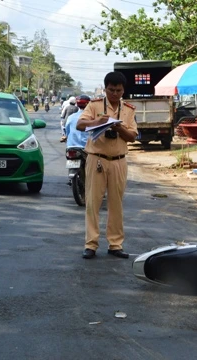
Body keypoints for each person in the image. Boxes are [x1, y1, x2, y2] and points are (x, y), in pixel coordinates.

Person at [76, 71, 137, 259]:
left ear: (123, 90)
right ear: (105, 89)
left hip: (119, 160)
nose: (115, 94)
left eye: (118, 90)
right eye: (111, 90)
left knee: (116, 203)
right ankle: (91, 244)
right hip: (97, 159)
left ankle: (115, 244)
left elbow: (133, 136)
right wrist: (97, 122)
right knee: (93, 202)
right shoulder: (94, 106)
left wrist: (119, 128)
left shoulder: (128, 109)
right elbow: (80, 124)